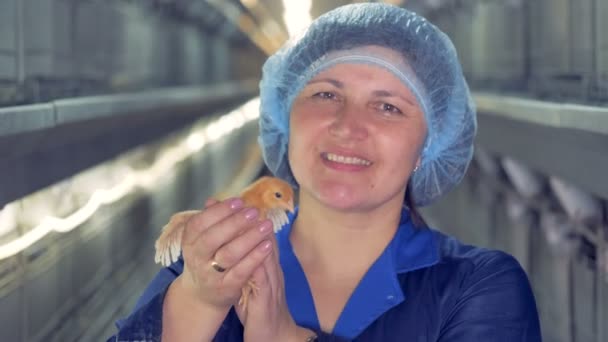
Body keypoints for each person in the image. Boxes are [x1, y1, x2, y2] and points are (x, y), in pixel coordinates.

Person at [109, 3, 542, 341]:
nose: (347, 126)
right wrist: (199, 304)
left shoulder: (477, 288)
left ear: (426, 147)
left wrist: (284, 338)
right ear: (286, 117)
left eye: (388, 106)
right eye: (324, 95)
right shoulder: (210, 263)